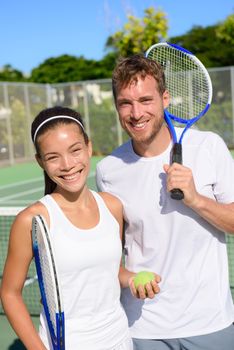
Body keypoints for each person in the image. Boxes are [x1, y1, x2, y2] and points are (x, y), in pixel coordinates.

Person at [95, 54, 234, 350]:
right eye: (125, 103)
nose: (136, 113)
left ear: (166, 98)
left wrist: (196, 200)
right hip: (143, 327)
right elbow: (111, 253)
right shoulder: (108, 170)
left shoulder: (209, 147)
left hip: (210, 322)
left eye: (146, 100)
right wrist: (128, 278)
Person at [0, 106, 135, 350]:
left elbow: (113, 271)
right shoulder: (30, 220)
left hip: (120, 339)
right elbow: (10, 293)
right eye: (53, 157)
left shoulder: (112, 206)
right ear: (40, 161)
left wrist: (133, 278)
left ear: (89, 148)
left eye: (75, 151)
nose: (67, 164)